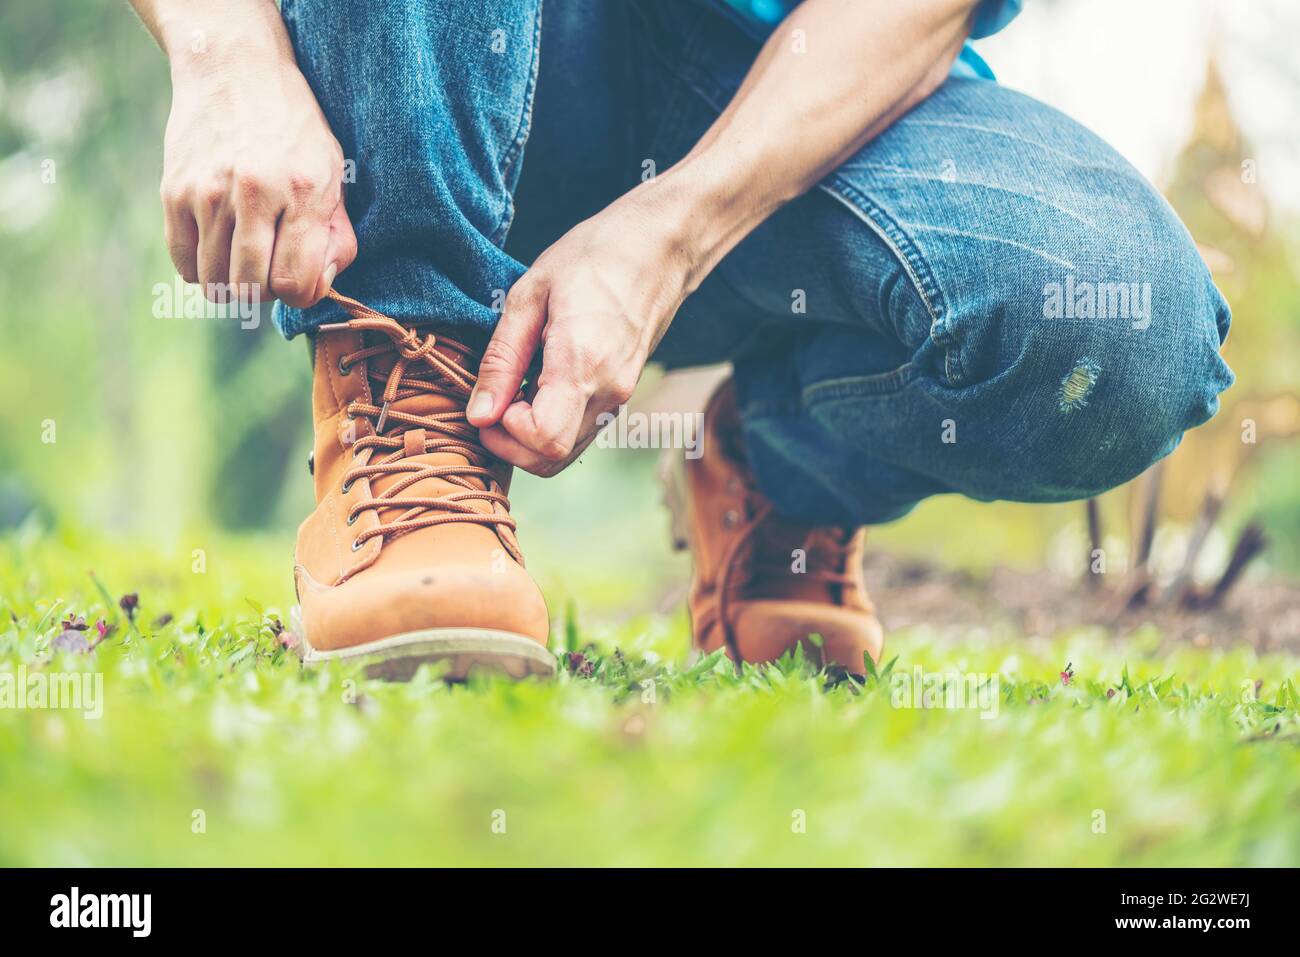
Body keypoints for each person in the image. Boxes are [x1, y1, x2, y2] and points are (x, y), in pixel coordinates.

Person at [128, 0, 1233, 679]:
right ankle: (408, 431)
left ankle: (776, 471)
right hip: (431, 67)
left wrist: (675, 227)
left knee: (1123, 330)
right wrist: (228, 53)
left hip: (783, 91)